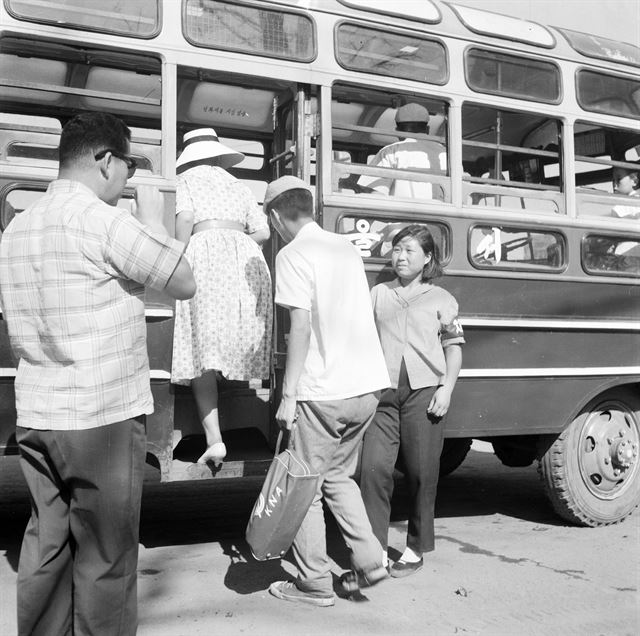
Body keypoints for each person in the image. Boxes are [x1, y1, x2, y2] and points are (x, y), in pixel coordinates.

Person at [0, 112, 195, 636]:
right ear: (105, 159)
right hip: (100, 417)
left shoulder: (18, 226)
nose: (128, 178)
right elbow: (183, 281)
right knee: (106, 558)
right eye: (128, 165)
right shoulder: (104, 221)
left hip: (38, 414)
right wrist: (154, 220)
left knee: (46, 546)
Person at [265, 176, 391, 607]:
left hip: (323, 391)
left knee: (305, 486)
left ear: (277, 216)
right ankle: (372, 561)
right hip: (367, 387)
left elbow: (299, 327)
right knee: (338, 475)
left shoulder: (292, 253)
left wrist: (288, 393)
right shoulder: (345, 248)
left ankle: (313, 581)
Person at [359, 224, 464, 578]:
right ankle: (373, 550)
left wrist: (446, 389)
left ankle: (416, 547)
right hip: (382, 395)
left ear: (427, 258)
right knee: (373, 470)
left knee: (421, 473)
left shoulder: (441, 299)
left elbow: (454, 349)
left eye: (409, 251)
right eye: (397, 249)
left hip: (424, 396)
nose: (400, 257)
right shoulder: (378, 294)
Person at [170, 128, 272, 466]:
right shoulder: (239, 185)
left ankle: (215, 438)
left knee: (202, 349)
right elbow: (263, 231)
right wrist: (237, 242)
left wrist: (179, 252)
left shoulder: (185, 180)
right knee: (231, 335)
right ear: (217, 155)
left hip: (205, 255)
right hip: (244, 257)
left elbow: (185, 218)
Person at [358, 103, 447, 200]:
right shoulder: (447, 154)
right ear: (428, 129)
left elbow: (373, 193)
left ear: (397, 131)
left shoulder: (390, 152)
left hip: (404, 214)